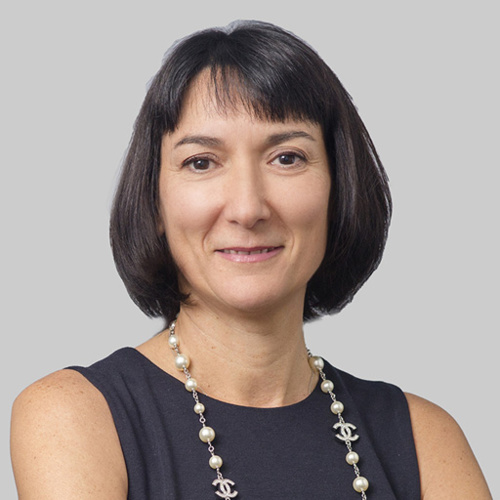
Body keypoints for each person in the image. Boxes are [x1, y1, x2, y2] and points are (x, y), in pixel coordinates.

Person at [10, 20, 491, 500]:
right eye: (201, 162)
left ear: (338, 190)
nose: (247, 208)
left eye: (287, 158)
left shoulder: (425, 440)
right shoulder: (75, 416)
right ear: (155, 203)